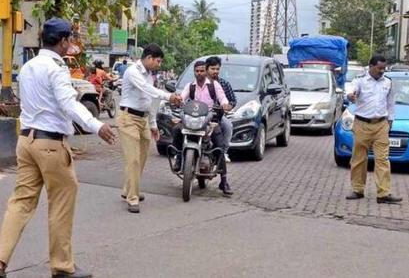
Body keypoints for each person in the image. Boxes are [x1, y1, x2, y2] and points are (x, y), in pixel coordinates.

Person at [0, 18, 115, 278]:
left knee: (20, 203)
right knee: (62, 202)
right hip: (51, 145)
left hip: (26, 142)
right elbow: (68, 104)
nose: (70, 45)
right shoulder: (56, 67)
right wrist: (97, 126)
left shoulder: (28, 66)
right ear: (62, 41)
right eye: (69, 40)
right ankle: (62, 267)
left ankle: (0, 261)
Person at [118, 43, 182, 213]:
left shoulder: (149, 75)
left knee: (142, 157)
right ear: (148, 58)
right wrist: (169, 96)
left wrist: (153, 124)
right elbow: (148, 90)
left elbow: (151, 100)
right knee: (133, 159)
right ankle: (132, 198)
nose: (159, 65)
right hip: (128, 118)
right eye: (158, 61)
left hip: (143, 119)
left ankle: (128, 189)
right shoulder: (133, 72)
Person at [345, 55, 402, 204]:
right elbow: (352, 90)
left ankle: (383, 194)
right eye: (379, 68)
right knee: (359, 159)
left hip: (381, 125)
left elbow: (390, 104)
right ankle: (357, 190)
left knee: (383, 159)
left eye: (384, 68)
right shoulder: (360, 80)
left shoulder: (388, 83)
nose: (382, 71)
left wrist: (390, 121)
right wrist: (351, 96)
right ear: (370, 67)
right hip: (362, 124)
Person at [172, 61, 234, 196]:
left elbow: (223, 98)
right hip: (192, 119)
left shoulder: (214, 85)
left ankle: (224, 181)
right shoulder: (190, 86)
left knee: (219, 146)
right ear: (194, 72)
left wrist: (225, 105)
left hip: (209, 120)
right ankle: (178, 157)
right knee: (177, 130)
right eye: (197, 71)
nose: (199, 73)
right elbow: (182, 98)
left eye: (201, 71)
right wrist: (177, 101)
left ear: (205, 71)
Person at [205, 56, 236, 162]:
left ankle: (224, 152)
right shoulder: (198, 84)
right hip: (200, 116)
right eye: (213, 69)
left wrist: (228, 106)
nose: (215, 71)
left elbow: (232, 100)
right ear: (206, 69)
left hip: (217, 117)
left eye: (217, 69)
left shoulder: (224, 84)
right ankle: (180, 154)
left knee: (228, 126)